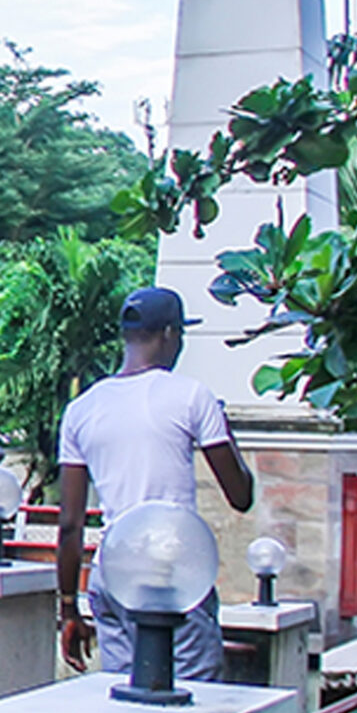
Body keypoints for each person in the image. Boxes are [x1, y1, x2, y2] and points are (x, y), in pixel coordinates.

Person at [56, 287, 255, 677]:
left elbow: (69, 525)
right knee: (193, 700)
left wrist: (68, 609)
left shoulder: (81, 410)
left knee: (124, 699)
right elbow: (241, 495)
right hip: (173, 572)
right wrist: (223, 428)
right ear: (169, 334)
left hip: (112, 574)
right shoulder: (192, 397)